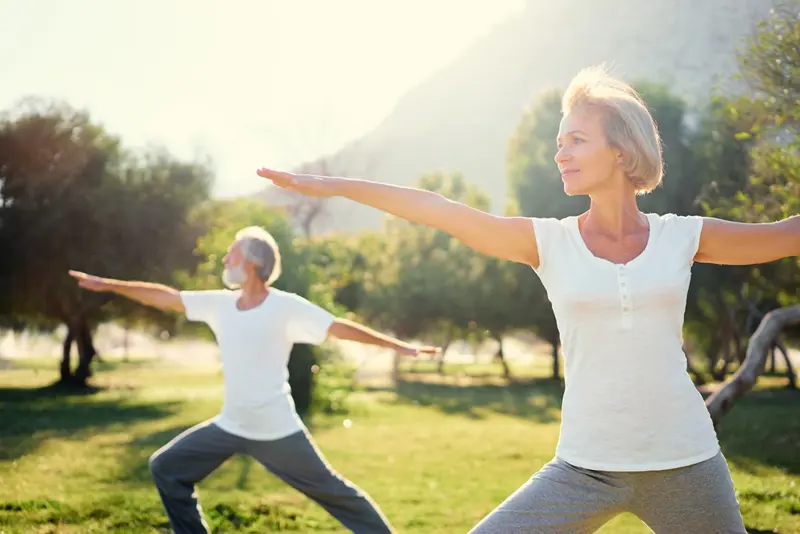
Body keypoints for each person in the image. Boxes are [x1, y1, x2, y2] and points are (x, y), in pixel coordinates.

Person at [256, 65, 799, 533]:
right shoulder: (549, 242)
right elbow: (438, 209)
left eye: (576, 140)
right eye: (558, 142)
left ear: (621, 148)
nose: (559, 153)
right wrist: (337, 186)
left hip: (686, 461)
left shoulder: (682, 236)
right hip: (586, 468)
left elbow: (786, 233)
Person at [69, 226, 439, 534]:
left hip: (276, 430)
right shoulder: (220, 304)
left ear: (251, 263)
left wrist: (400, 347)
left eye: (231, 254)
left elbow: (337, 327)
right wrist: (110, 285)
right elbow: (167, 298)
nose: (225, 260)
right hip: (231, 424)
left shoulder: (285, 306)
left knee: (338, 495)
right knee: (165, 468)